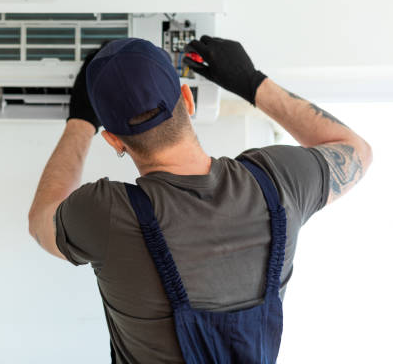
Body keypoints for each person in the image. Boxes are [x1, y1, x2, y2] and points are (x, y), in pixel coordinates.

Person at [28, 36, 372, 363]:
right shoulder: (278, 181)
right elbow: (357, 151)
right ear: (187, 99)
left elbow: (42, 222)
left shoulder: (106, 212)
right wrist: (252, 83)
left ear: (114, 141)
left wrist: (79, 122)